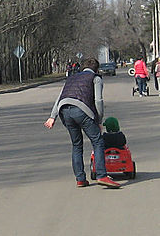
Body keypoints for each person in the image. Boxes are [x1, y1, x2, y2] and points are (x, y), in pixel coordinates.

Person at [44, 57, 120, 188]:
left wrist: (52, 117)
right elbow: (98, 101)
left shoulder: (71, 78)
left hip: (64, 110)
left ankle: (80, 179)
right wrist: (99, 120)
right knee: (97, 141)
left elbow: (59, 97)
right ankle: (102, 176)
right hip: (81, 110)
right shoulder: (96, 78)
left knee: (76, 145)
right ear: (96, 69)